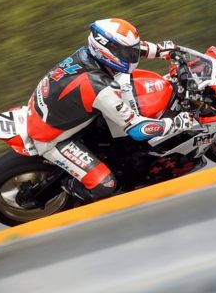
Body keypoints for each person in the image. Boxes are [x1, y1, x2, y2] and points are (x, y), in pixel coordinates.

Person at [26, 18, 195, 202]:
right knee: (105, 186)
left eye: (131, 50)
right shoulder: (99, 87)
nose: (132, 55)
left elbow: (137, 49)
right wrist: (177, 123)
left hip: (52, 110)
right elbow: (139, 130)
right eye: (125, 52)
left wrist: (162, 50)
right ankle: (68, 187)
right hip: (50, 139)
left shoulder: (89, 54)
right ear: (107, 50)